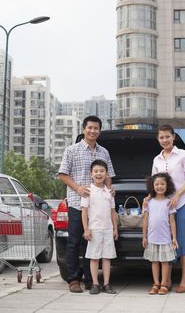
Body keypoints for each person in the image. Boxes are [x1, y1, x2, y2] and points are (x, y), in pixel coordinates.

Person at [58, 115, 115, 293]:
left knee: (90, 243)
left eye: (96, 128)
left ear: (99, 130)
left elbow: (108, 176)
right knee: (74, 242)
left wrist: (110, 191)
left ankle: (92, 281)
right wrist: (78, 189)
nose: (92, 131)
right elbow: (62, 175)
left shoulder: (104, 152)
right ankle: (73, 279)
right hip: (78, 203)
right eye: (89, 128)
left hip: (99, 207)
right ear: (84, 129)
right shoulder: (72, 150)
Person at [150, 124, 185, 293]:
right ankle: (166, 282)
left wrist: (177, 195)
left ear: (174, 137)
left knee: (184, 242)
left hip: (182, 204)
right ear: (158, 139)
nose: (164, 140)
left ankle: (184, 280)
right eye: (161, 137)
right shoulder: (156, 160)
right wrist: (148, 198)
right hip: (163, 207)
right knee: (167, 242)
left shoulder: (182, 154)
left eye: (167, 136)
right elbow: (154, 183)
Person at [81, 159, 118, 295]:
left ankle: (106, 284)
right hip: (94, 229)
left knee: (107, 258)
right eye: (96, 171)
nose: (99, 174)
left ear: (106, 174)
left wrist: (115, 228)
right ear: (91, 173)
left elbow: (112, 211)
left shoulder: (109, 192)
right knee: (94, 257)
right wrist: (86, 229)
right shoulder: (88, 191)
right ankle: (95, 284)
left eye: (102, 171)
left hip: (108, 229)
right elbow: (84, 211)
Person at [142, 173, 178, 295]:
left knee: (165, 262)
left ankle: (164, 284)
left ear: (167, 186)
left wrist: (174, 238)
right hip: (152, 238)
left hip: (165, 238)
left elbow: (172, 221)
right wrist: (144, 237)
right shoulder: (149, 202)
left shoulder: (169, 202)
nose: (159, 186)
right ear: (152, 186)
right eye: (156, 184)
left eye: (162, 184)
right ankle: (156, 283)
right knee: (154, 262)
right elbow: (145, 220)